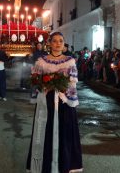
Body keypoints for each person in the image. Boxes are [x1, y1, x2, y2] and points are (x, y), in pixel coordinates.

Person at [26, 32, 83, 173]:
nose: (58, 44)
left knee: (65, 133)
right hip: (47, 102)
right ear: (49, 43)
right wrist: (45, 85)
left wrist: (64, 91)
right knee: (46, 132)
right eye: (55, 41)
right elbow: (36, 81)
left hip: (64, 104)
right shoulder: (42, 61)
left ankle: (65, 166)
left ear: (64, 44)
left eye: (61, 41)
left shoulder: (70, 61)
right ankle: (45, 166)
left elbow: (72, 83)